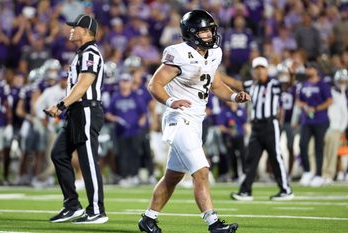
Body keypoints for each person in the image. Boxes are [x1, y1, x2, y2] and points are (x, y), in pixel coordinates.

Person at [138, 10, 250, 233]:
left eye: (210, 30)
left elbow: (215, 83)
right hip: (178, 119)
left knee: (173, 177)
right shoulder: (178, 53)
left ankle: (148, 219)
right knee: (201, 171)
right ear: (191, 34)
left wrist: (234, 96)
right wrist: (171, 101)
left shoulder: (214, 53)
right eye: (203, 31)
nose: (208, 35)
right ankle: (213, 223)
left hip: (195, 121)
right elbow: (154, 84)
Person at [44, 14, 108, 224]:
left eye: (75, 27)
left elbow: (83, 86)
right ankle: (72, 206)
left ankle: (97, 210)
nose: (71, 30)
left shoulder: (90, 53)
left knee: (88, 160)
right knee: (59, 154)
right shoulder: (81, 53)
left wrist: (61, 105)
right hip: (77, 112)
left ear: (85, 31)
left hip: (86, 110)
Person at [231, 57, 294, 201]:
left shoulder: (274, 84)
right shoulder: (250, 85)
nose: (259, 71)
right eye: (257, 68)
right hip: (256, 126)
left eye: (262, 68)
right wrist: (215, 74)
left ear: (266, 69)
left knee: (275, 157)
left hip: (270, 125)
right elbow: (234, 83)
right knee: (251, 158)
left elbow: (288, 84)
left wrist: (291, 74)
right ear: (253, 71)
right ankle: (245, 191)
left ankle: (286, 189)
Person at [297, 62, 332, 187]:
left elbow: (329, 101)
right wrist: (303, 106)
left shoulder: (323, 85)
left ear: (316, 70)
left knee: (318, 148)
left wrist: (316, 108)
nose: (308, 70)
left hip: (320, 120)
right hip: (307, 120)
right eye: (306, 68)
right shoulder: (303, 85)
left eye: (310, 68)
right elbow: (299, 100)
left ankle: (318, 174)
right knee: (302, 144)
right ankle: (307, 171)